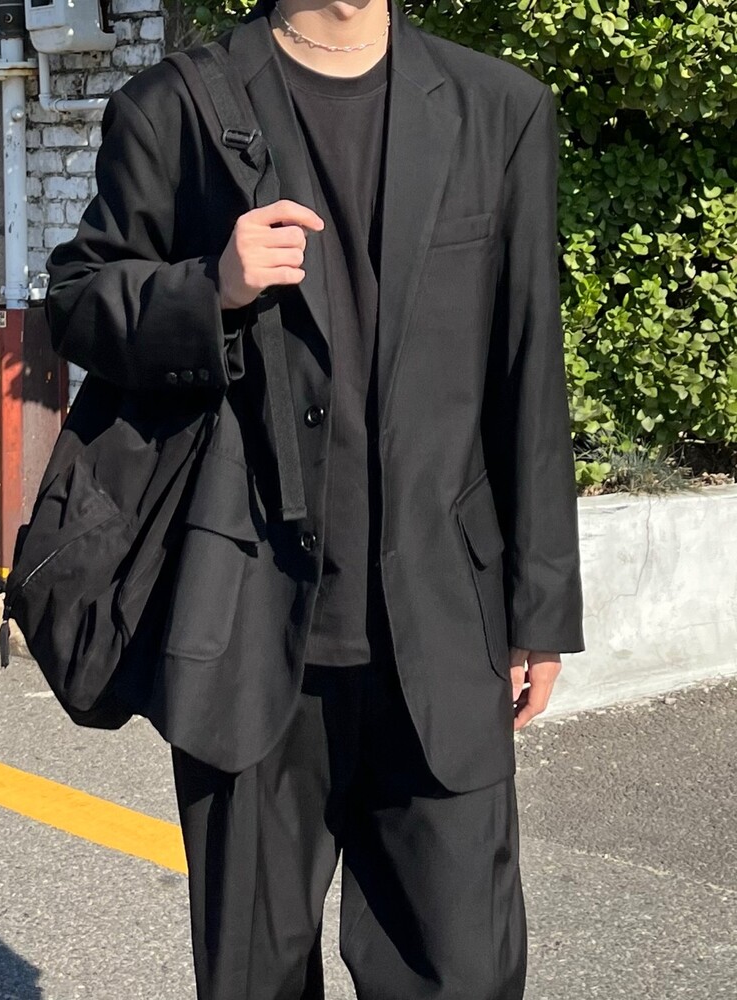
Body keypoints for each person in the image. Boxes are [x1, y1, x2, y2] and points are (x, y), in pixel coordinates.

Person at [44, 0, 586, 997]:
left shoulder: (497, 108)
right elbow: (78, 299)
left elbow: (528, 371)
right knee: (254, 975)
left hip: (443, 630)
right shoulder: (175, 107)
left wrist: (540, 609)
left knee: (464, 969)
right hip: (247, 634)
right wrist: (211, 287)